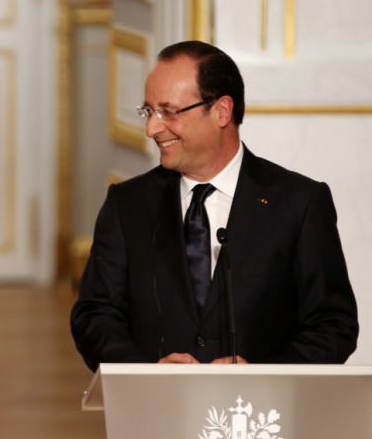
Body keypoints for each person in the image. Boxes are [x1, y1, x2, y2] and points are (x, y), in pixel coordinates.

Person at [71, 40, 358, 370]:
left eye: (169, 111)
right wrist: (145, 372)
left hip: (261, 415)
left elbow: (333, 324)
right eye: (149, 111)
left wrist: (262, 376)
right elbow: (94, 315)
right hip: (156, 413)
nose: (152, 128)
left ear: (221, 111)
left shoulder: (299, 203)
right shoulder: (127, 205)